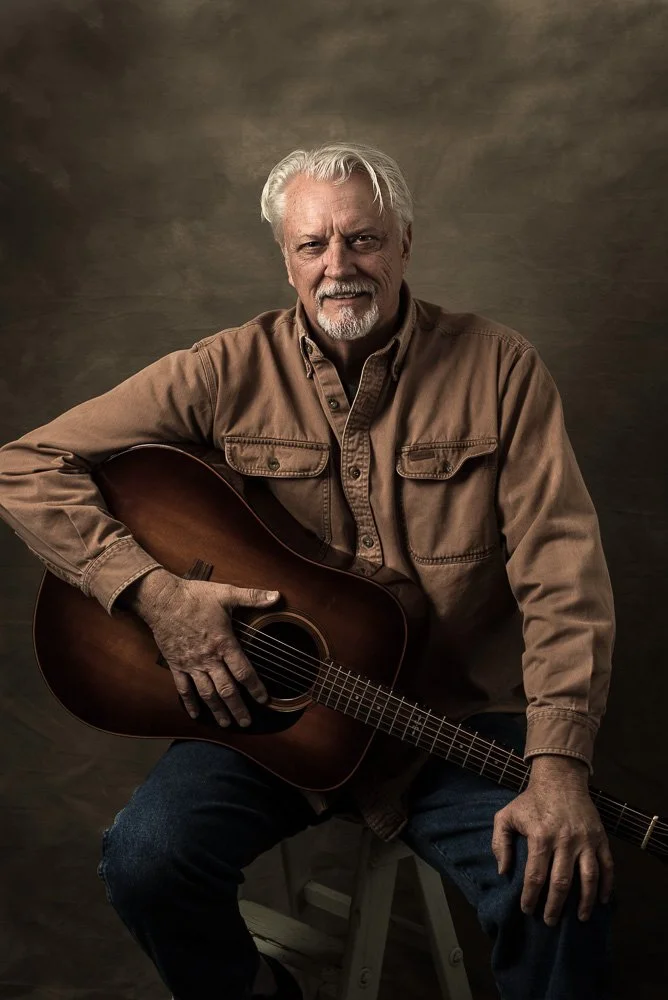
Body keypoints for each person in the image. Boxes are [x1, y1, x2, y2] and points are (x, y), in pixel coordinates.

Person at [0, 142, 615, 1000]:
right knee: (145, 861)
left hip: (446, 721)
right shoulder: (222, 369)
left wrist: (559, 767)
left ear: (405, 242)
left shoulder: (500, 368)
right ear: (285, 261)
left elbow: (564, 575)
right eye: (312, 246)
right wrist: (155, 592)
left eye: (362, 240)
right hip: (273, 722)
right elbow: (23, 465)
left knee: (556, 886)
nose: (339, 267)